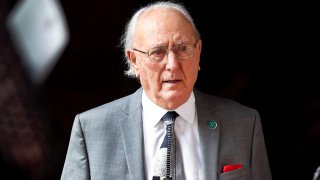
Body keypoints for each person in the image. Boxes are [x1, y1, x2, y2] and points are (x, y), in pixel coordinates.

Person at [61, 1, 272, 179]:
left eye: (183, 49)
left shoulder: (244, 123)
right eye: (157, 52)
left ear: (198, 51)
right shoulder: (92, 130)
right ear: (134, 60)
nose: (172, 64)